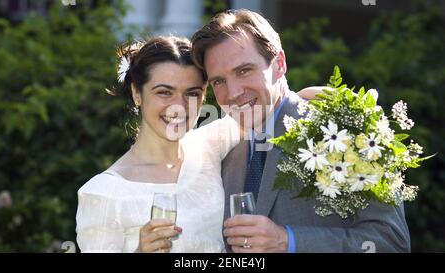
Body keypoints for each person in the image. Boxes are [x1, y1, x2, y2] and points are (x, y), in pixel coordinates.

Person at [191, 9, 411, 253]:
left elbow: (392, 242)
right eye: (218, 81)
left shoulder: (343, 131)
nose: (232, 93)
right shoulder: (226, 154)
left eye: (244, 71)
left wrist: (289, 241)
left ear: (279, 64)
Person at [75, 36, 319, 252]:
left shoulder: (209, 144)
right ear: (137, 93)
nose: (178, 106)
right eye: (164, 92)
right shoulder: (102, 193)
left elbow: (268, 107)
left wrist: (313, 98)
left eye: (191, 93)